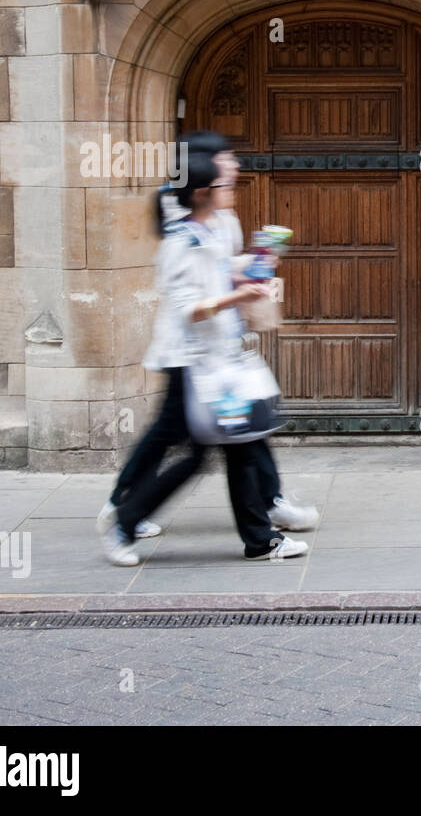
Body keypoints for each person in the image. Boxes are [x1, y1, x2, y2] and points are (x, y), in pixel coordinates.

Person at [99, 134, 319, 540]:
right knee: (216, 441)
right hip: (194, 357)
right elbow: (192, 305)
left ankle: (261, 523)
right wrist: (239, 292)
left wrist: (254, 266)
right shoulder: (185, 239)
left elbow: (219, 273)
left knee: (236, 439)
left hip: (217, 356)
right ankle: (126, 512)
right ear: (204, 185)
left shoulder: (217, 224)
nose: (233, 170)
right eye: (226, 164)